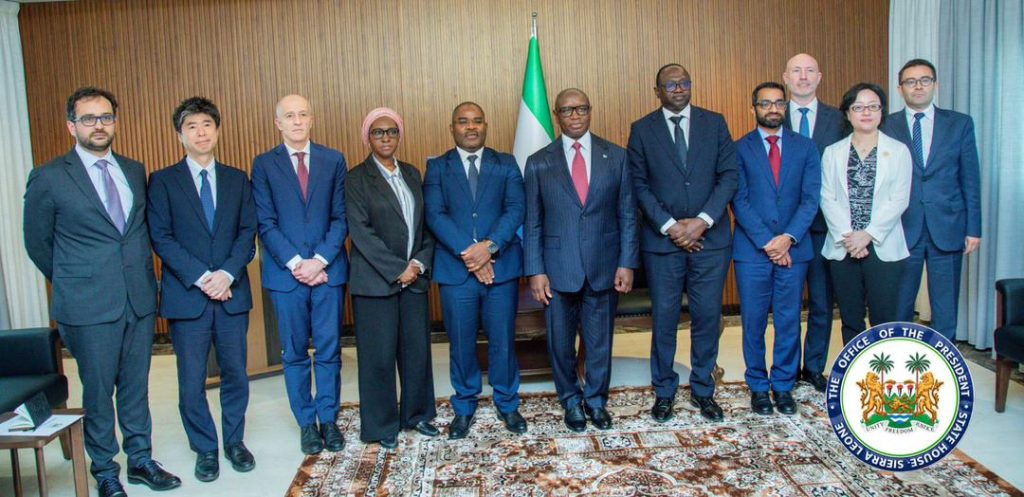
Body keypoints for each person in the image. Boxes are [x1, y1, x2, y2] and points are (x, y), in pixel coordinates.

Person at [24, 87, 181, 497]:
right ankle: (105, 470)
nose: (99, 125)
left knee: (136, 387)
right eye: (89, 118)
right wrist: (76, 280)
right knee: (97, 391)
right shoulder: (49, 177)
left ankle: (141, 459)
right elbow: (38, 243)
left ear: (115, 122)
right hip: (87, 305)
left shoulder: (133, 170)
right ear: (71, 126)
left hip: (138, 300)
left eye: (106, 117)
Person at [147, 97, 257, 482]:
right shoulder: (163, 181)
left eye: (207, 124)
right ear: (180, 135)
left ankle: (234, 442)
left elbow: (247, 232)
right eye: (191, 126)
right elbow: (161, 237)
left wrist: (226, 274)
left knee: (235, 374)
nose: (200, 132)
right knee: (191, 380)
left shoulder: (237, 179)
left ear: (218, 130)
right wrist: (202, 277)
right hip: (187, 297)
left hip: (231, 295)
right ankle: (205, 448)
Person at [627, 63, 738, 422]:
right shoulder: (642, 129)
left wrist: (702, 221)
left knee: (707, 318)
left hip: (710, 241)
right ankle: (664, 391)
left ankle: (703, 389)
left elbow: (728, 176)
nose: (678, 89)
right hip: (663, 244)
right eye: (670, 85)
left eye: (684, 83)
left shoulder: (714, 123)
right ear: (657, 91)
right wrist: (671, 226)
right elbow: (638, 184)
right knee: (664, 319)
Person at [524, 88, 638, 431]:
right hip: (557, 269)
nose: (575, 116)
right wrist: (535, 270)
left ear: (590, 111)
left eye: (581, 109)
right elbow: (533, 222)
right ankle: (571, 401)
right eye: (567, 110)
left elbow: (627, 214)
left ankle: (596, 401)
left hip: (604, 265)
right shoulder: (539, 161)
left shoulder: (616, 156)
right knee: (560, 343)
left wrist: (627, 262)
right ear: (556, 115)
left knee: (600, 341)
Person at [423, 102, 527, 439]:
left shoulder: (506, 163)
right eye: (463, 122)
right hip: (457, 272)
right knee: (461, 342)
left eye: (477, 121)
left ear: (486, 126)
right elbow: (435, 214)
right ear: (451, 128)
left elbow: (516, 209)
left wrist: (489, 247)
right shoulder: (437, 167)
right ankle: (465, 405)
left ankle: (507, 403)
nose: (471, 127)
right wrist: (472, 254)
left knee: (503, 341)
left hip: (501, 269)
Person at [252, 94, 348, 455]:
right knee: (293, 352)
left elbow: (341, 217)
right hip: (286, 276)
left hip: (328, 273)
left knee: (328, 350)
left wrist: (319, 261)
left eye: (303, 114)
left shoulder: (333, 160)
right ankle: (307, 423)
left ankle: (329, 419)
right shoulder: (264, 164)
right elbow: (266, 223)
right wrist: (297, 264)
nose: (296, 121)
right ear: (278, 123)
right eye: (289, 116)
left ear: (312, 119)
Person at [346, 108, 438, 449]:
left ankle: (417, 415)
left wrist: (418, 263)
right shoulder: (356, 179)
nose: (385, 138)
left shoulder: (412, 173)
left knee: (416, 353)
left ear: (399, 135)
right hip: (376, 283)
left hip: (414, 280)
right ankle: (382, 424)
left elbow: (425, 226)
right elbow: (361, 232)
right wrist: (398, 269)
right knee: (379, 357)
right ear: (367, 138)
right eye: (378, 132)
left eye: (391, 131)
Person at [732, 83, 821, 416]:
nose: (773, 109)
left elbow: (811, 199)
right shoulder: (738, 148)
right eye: (765, 103)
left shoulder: (806, 147)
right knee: (753, 322)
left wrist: (788, 238)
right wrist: (769, 243)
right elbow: (738, 200)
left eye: (779, 103)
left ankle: (783, 385)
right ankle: (758, 386)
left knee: (788, 320)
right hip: (752, 251)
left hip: (794, 250)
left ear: (786, 107)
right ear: (753, 108)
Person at [881, 59, 982, 341]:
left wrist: (974, 228)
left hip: (948, 225)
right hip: (902, 227)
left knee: (945, 308)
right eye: (911, 82)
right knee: (899, 304)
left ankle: (943, 362)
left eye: (925, 80)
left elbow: (970, 179)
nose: (918, 86)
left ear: (935, 85)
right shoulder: (887, 125)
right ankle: (897, 357)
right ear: (900, 89)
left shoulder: (959, 123)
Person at [820, 83, 912, 344]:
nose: (866, 112)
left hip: (883, 245)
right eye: (858, 107)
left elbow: (899, 199)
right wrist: (849, 237)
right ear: (847, 113)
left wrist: (868, 235)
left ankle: (882, 370)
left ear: (882, 112)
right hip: (845, 246)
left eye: (873, 106)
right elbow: (827, 197)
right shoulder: (833, 152)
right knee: (850, 319)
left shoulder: (899, 151)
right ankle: (855, 368)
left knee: (884, 319)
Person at [781, 53, 845, 390]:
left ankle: (814, 367)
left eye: (809, 71)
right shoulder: (773, 114)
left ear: (819, 77)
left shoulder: (839, 119)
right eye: (796, 71)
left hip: (825, 226)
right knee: (788, 306)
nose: (803, 77)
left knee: (822, 303)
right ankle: (788, 370)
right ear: (786, 77)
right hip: (786, 229)